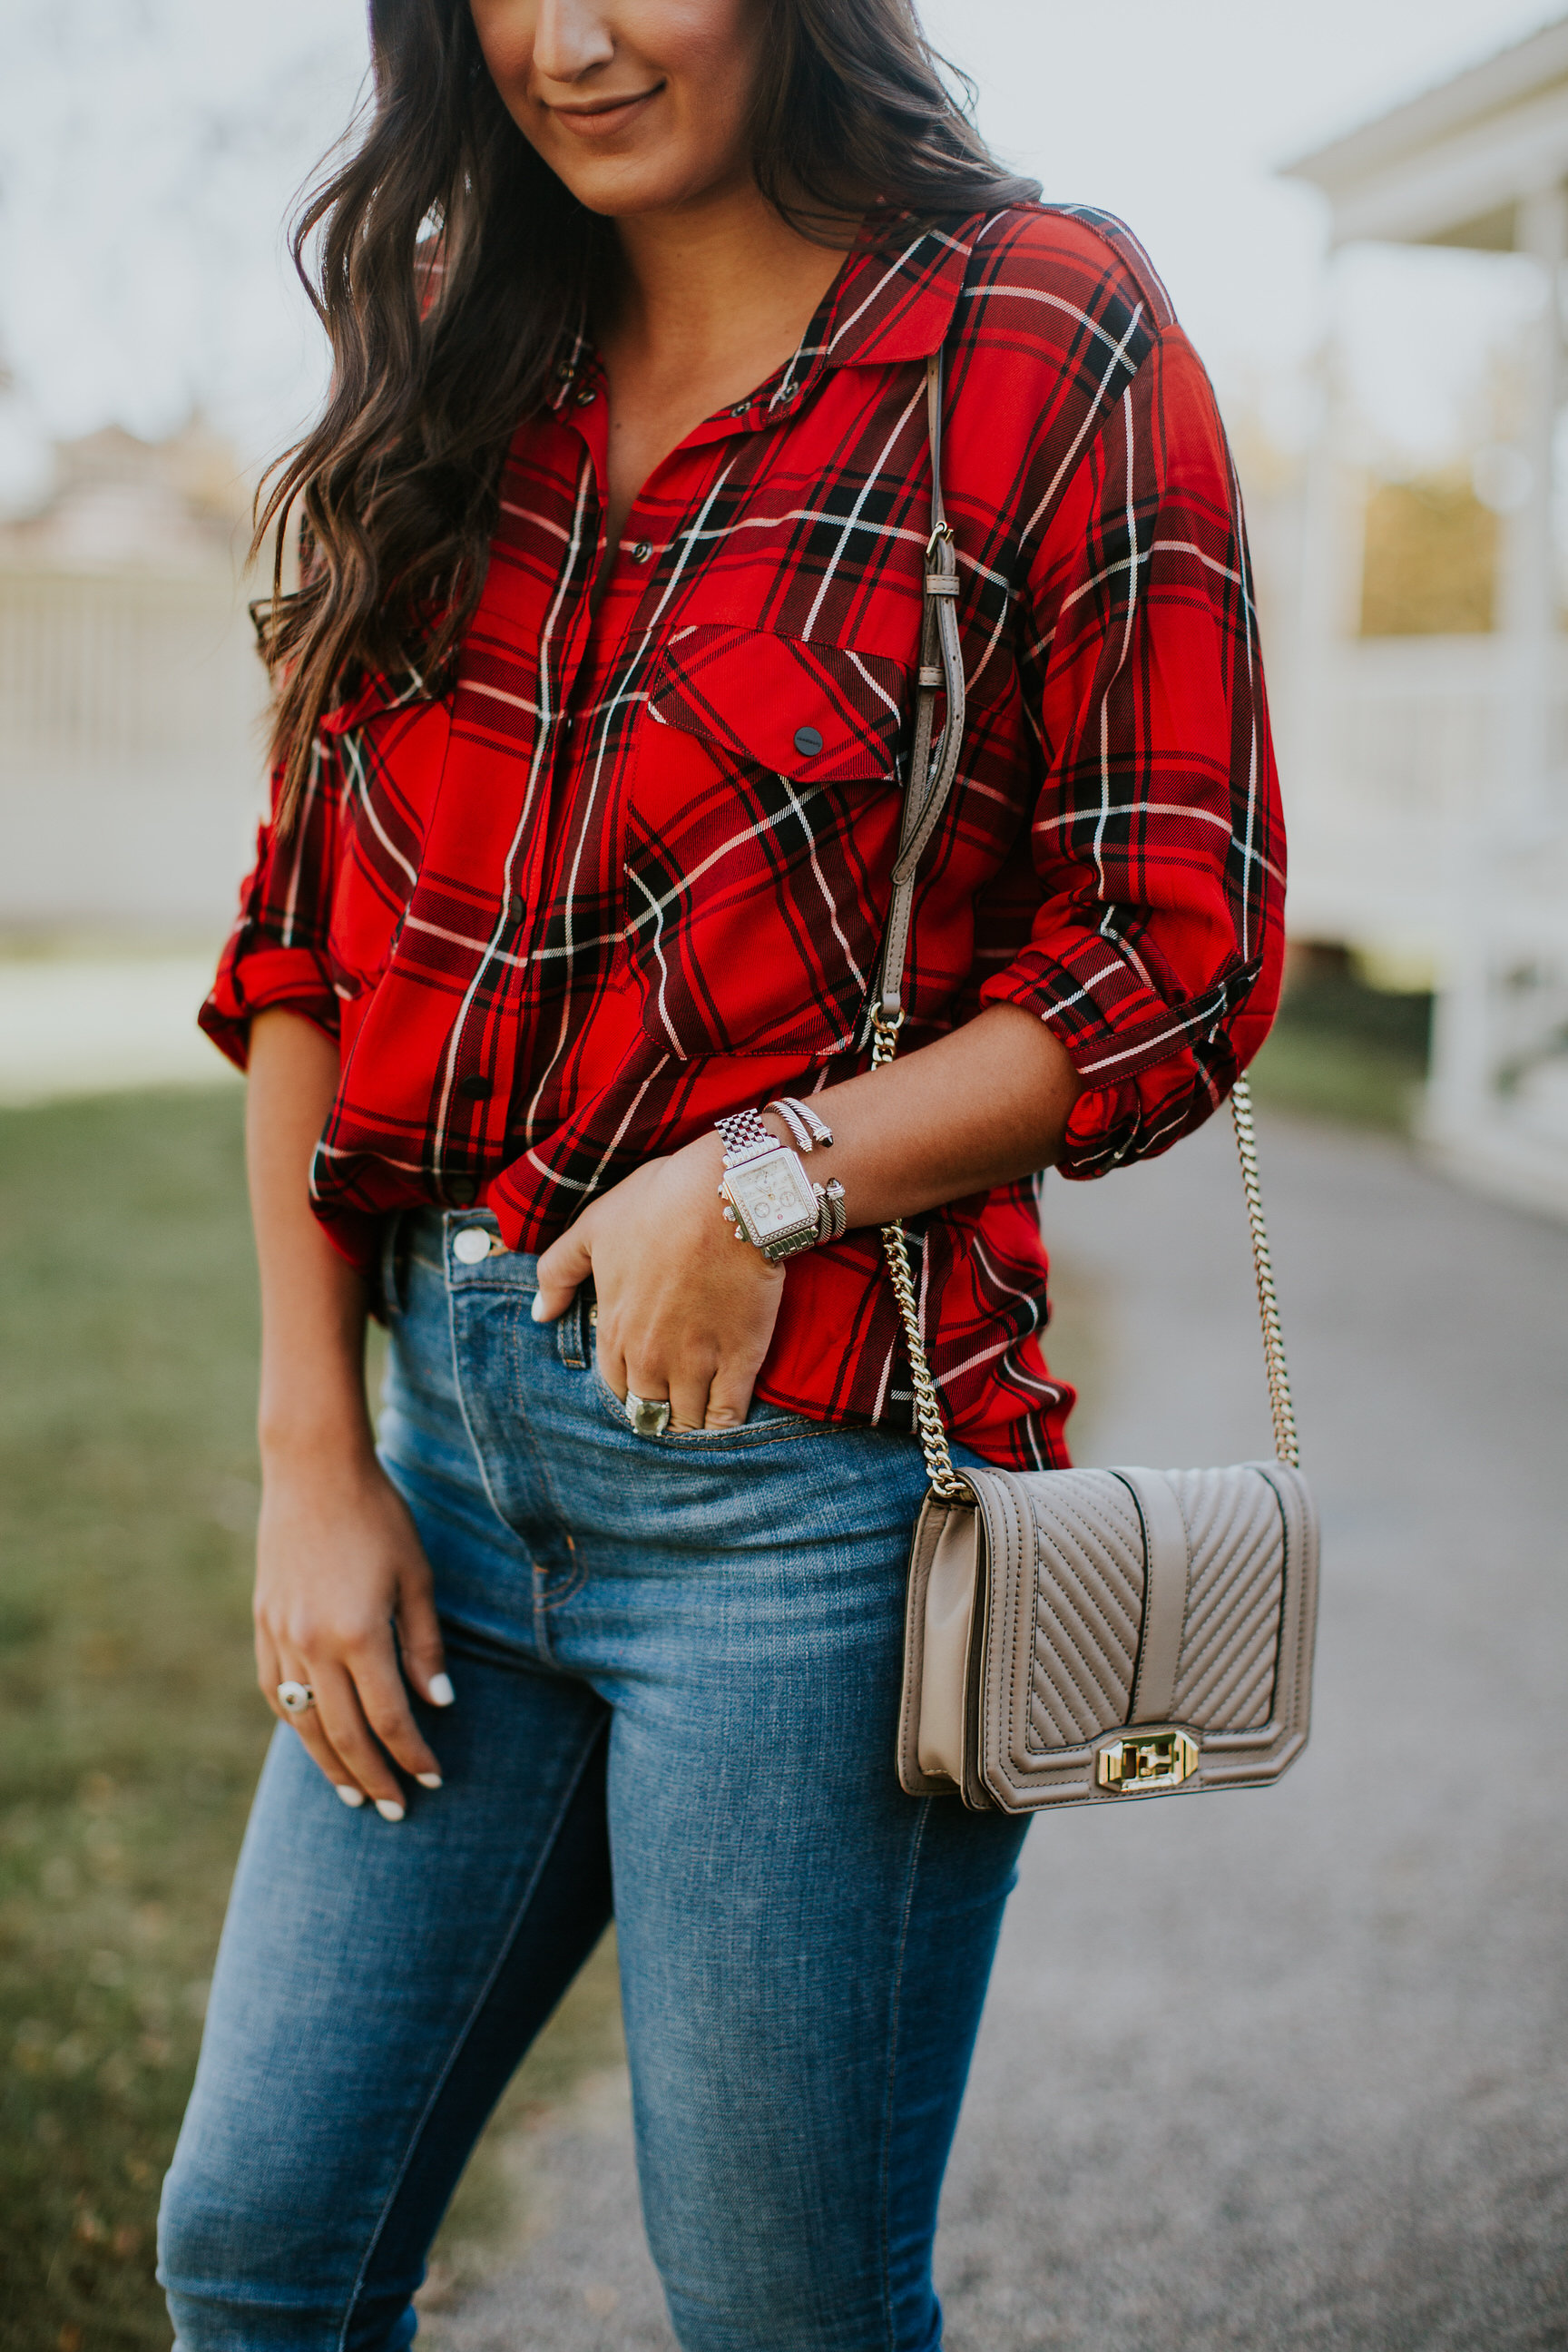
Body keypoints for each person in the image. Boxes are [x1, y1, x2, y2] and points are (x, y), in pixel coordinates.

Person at [158, 1, 1285, 2345]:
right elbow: (301, 942)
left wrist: (765, 1176)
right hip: (445, 1468)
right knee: (260, 2248)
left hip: (820, 1511)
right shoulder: (465, 339)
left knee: (778, 2309)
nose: (568, 39)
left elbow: (1179, 947)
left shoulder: (1042, 327)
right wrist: (312, 1453)